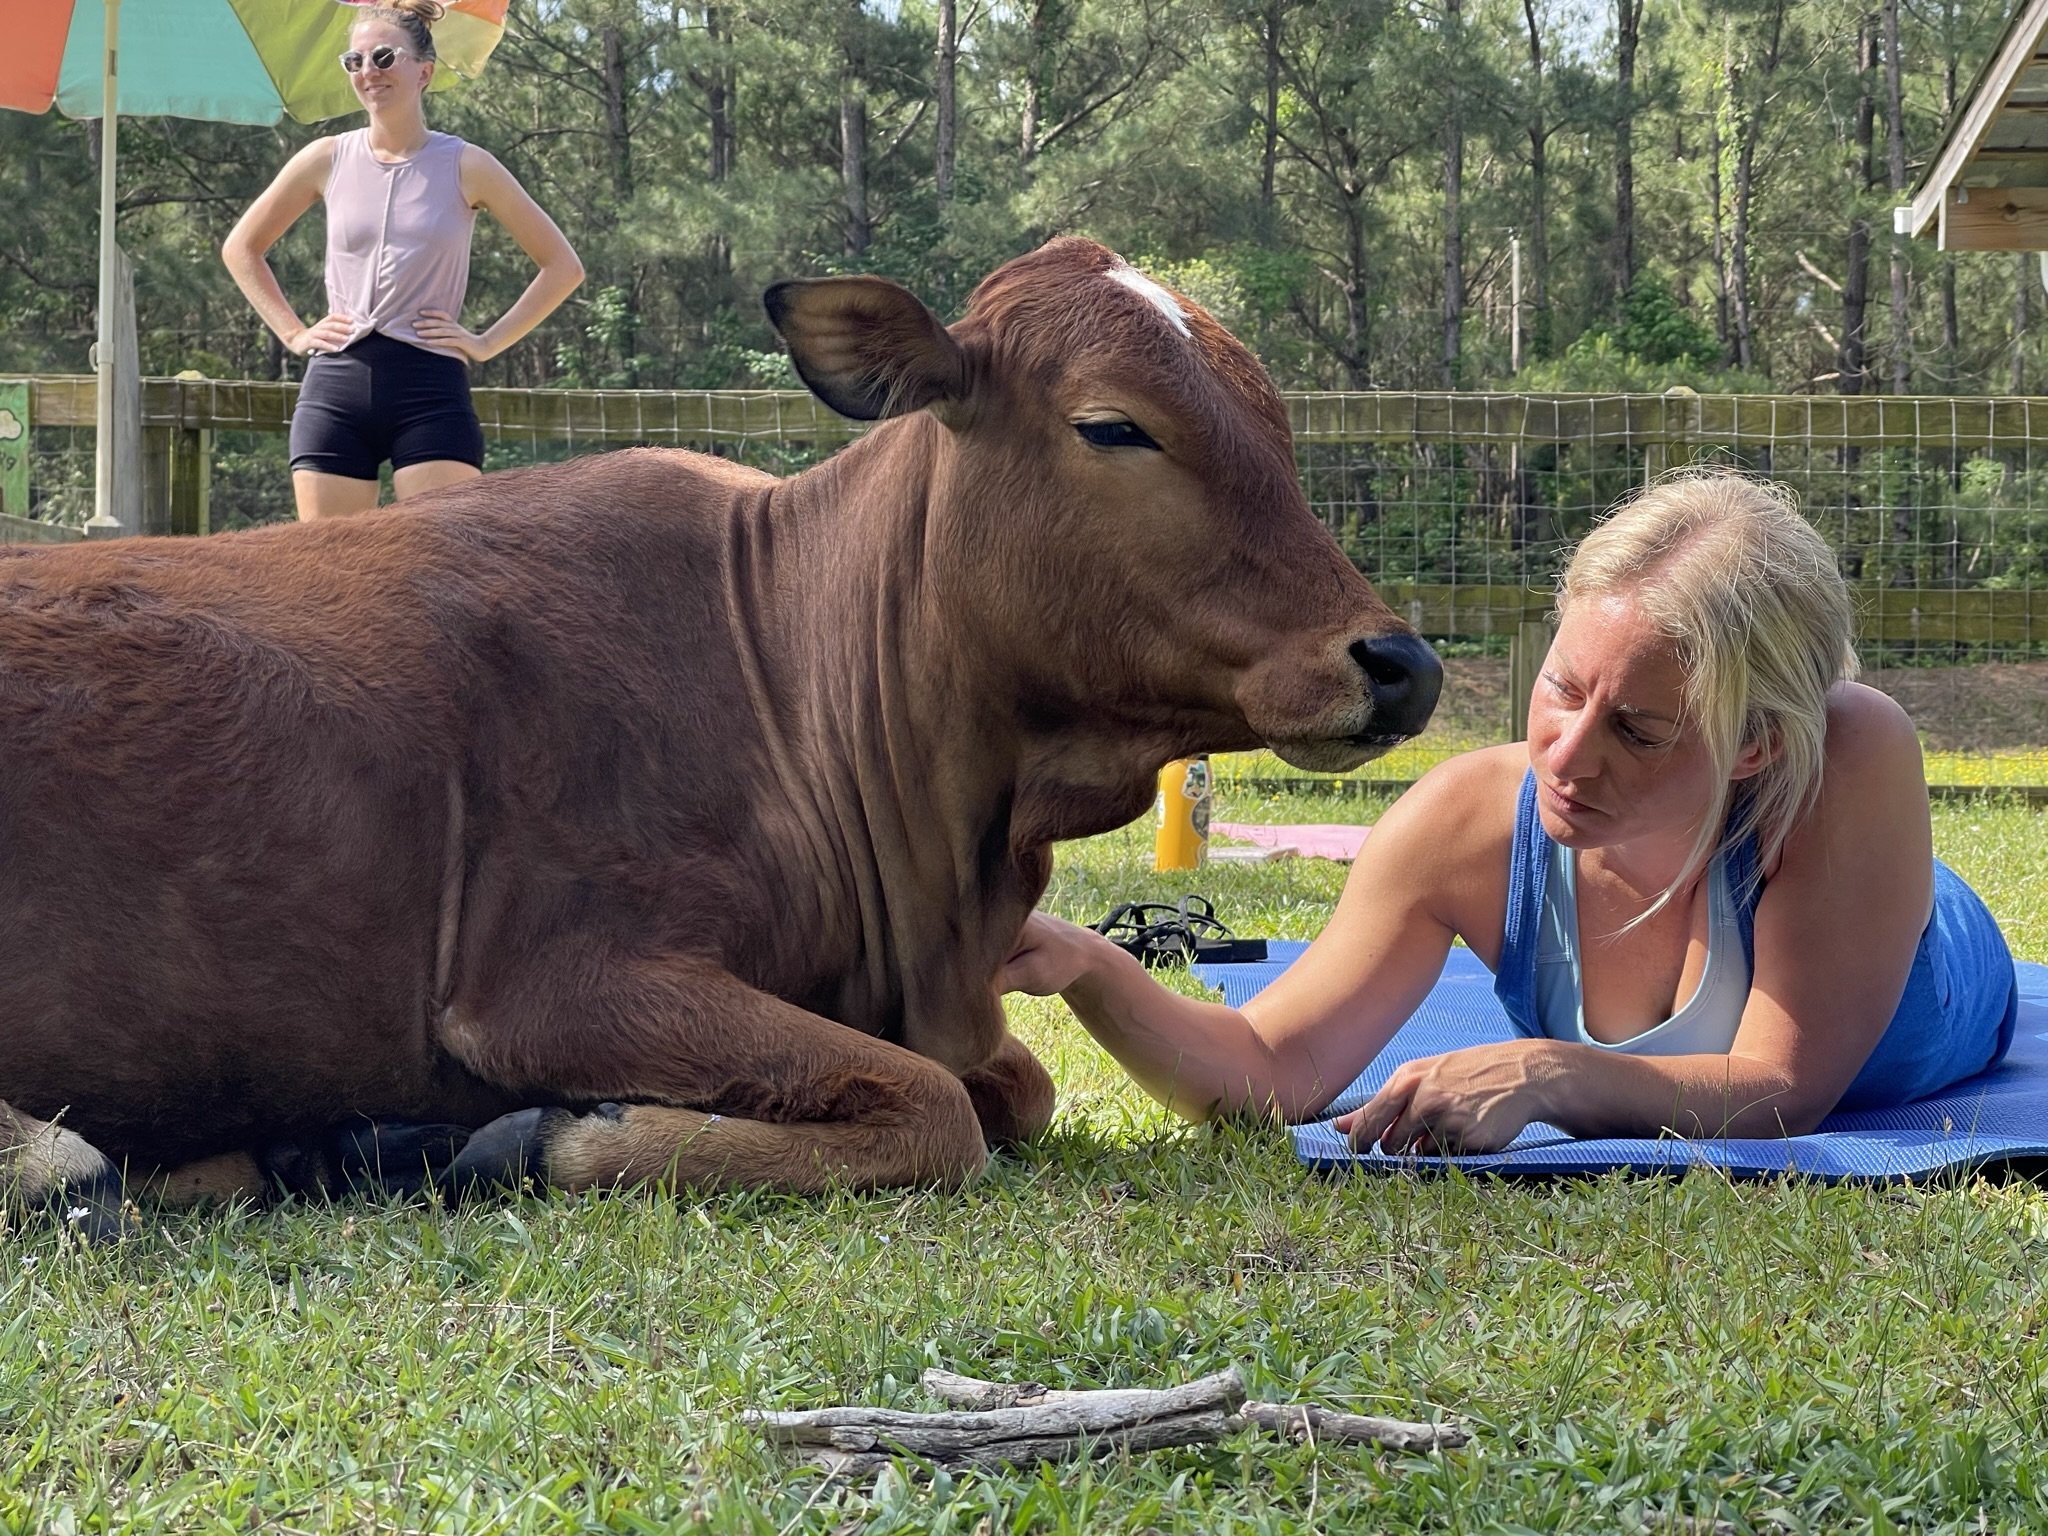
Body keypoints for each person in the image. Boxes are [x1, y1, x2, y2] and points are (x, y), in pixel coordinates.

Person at [1000, 471, 2020, 1153]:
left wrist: (1546, 1074)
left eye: (1638, 730)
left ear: (1750, 743)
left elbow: (1778, 1088)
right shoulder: (1466, 819)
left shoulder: (1843, 752)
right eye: (1561, 691)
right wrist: (1088, 965)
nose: (1565, 757)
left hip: (1937, 967)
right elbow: (1265, 1075)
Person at [222, 0, 583, 521]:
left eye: (385, 57)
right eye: (355, 61)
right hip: (334, 390)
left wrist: (484, 343)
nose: (369, 72)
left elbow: (562, 267)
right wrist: (294, 334)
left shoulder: (467, 164)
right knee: (330, 577)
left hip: (430, 389)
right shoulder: (325, 158)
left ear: (425, 72)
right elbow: (242, 248)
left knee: (442, 574)